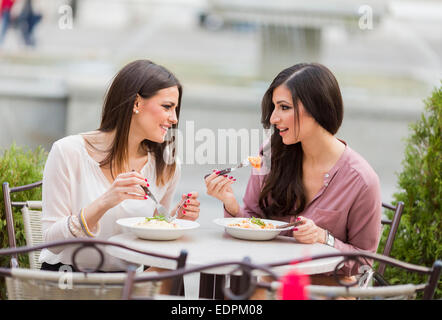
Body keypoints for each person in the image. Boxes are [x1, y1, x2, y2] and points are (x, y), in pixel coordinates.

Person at [205, 63, 382, 286]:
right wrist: (231, 205)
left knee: (252, 293)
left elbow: (364, 262)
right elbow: (253, 221)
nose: (273, 118)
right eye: (274, 107)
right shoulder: (271, 152)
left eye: (284, 107)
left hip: (328, 287)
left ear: (317, 108)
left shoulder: (361, 180)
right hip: (273, 280)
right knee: (245, 292)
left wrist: (323, 237)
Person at [40, 60, 200, 272]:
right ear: (136, 103)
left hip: (128, 284)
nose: (174, 118)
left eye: (176, 109)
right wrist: (106, 200)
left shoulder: (167, 166)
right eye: (167, 107)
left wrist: (175, 220)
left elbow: (153, 238)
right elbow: (52, 240)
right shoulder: (68, 152)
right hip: (68, 279)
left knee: (170, 271)